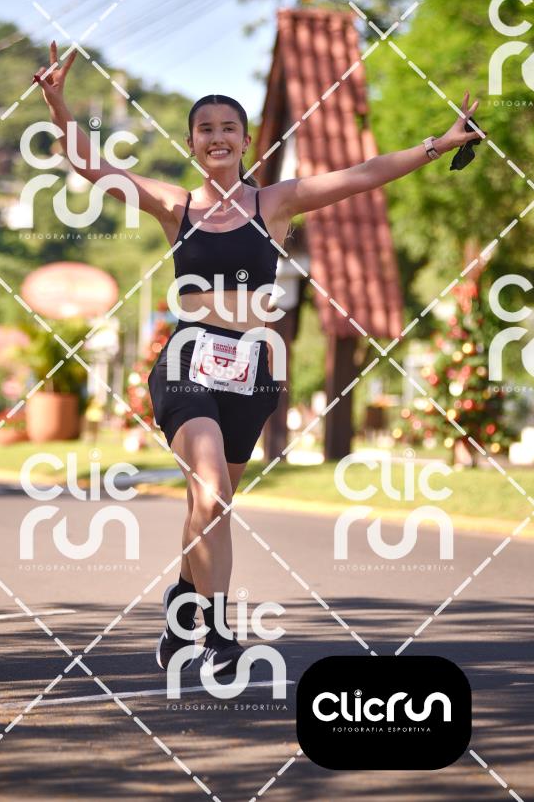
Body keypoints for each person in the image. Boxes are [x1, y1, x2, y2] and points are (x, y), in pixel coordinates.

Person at [33, 41, 483, 677]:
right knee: (211, 491)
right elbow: (91, 166)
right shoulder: (174, 204)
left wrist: (437, 144)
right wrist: (58, 105)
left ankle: (182, 601)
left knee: (211, 505)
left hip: (251, 372)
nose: (217, 137)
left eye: (229, 128)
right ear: (191, 142)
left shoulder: (275, 203)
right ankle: (218, 635)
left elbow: (364, 173)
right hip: (188, 364)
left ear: (246, 141)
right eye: (205, 129)